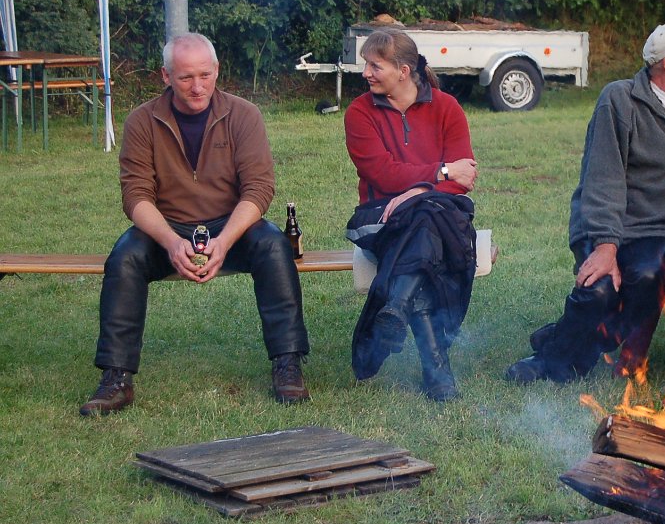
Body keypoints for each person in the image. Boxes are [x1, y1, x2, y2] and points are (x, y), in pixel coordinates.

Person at [80, 33, 312, 416]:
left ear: (217, 70)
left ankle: (288, 365)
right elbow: (135, 196)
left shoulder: (244, 115)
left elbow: (258, 188)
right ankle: (116, 378)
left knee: (273, 244)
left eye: (205, 74)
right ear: (166, 76)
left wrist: (224, 240)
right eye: (186, 77)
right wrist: (171, 242)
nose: (198, 86)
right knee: (124, 257)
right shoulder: (142, 120)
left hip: (230, 224)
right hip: (166, 227)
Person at [505, 22, 665, 384]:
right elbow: (602, 177)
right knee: (602, 287)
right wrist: (606, 246)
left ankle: (563, 339)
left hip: (663, 229)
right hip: (608, 220)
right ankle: (555, 362)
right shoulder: (619, 100)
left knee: (649, 275)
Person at [344, 26, 478, 401]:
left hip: (436, 211)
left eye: (375, 65)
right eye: (366, 65)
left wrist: (419, 190)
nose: (366, 73)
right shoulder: (359, 113)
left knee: (423, 224)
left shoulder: (447, 107)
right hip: (381, 217)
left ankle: (395, 309)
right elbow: (380, 173)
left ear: (403, 70)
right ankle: (437, 371)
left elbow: (463, 178)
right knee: (424, 238)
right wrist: (438, 174)